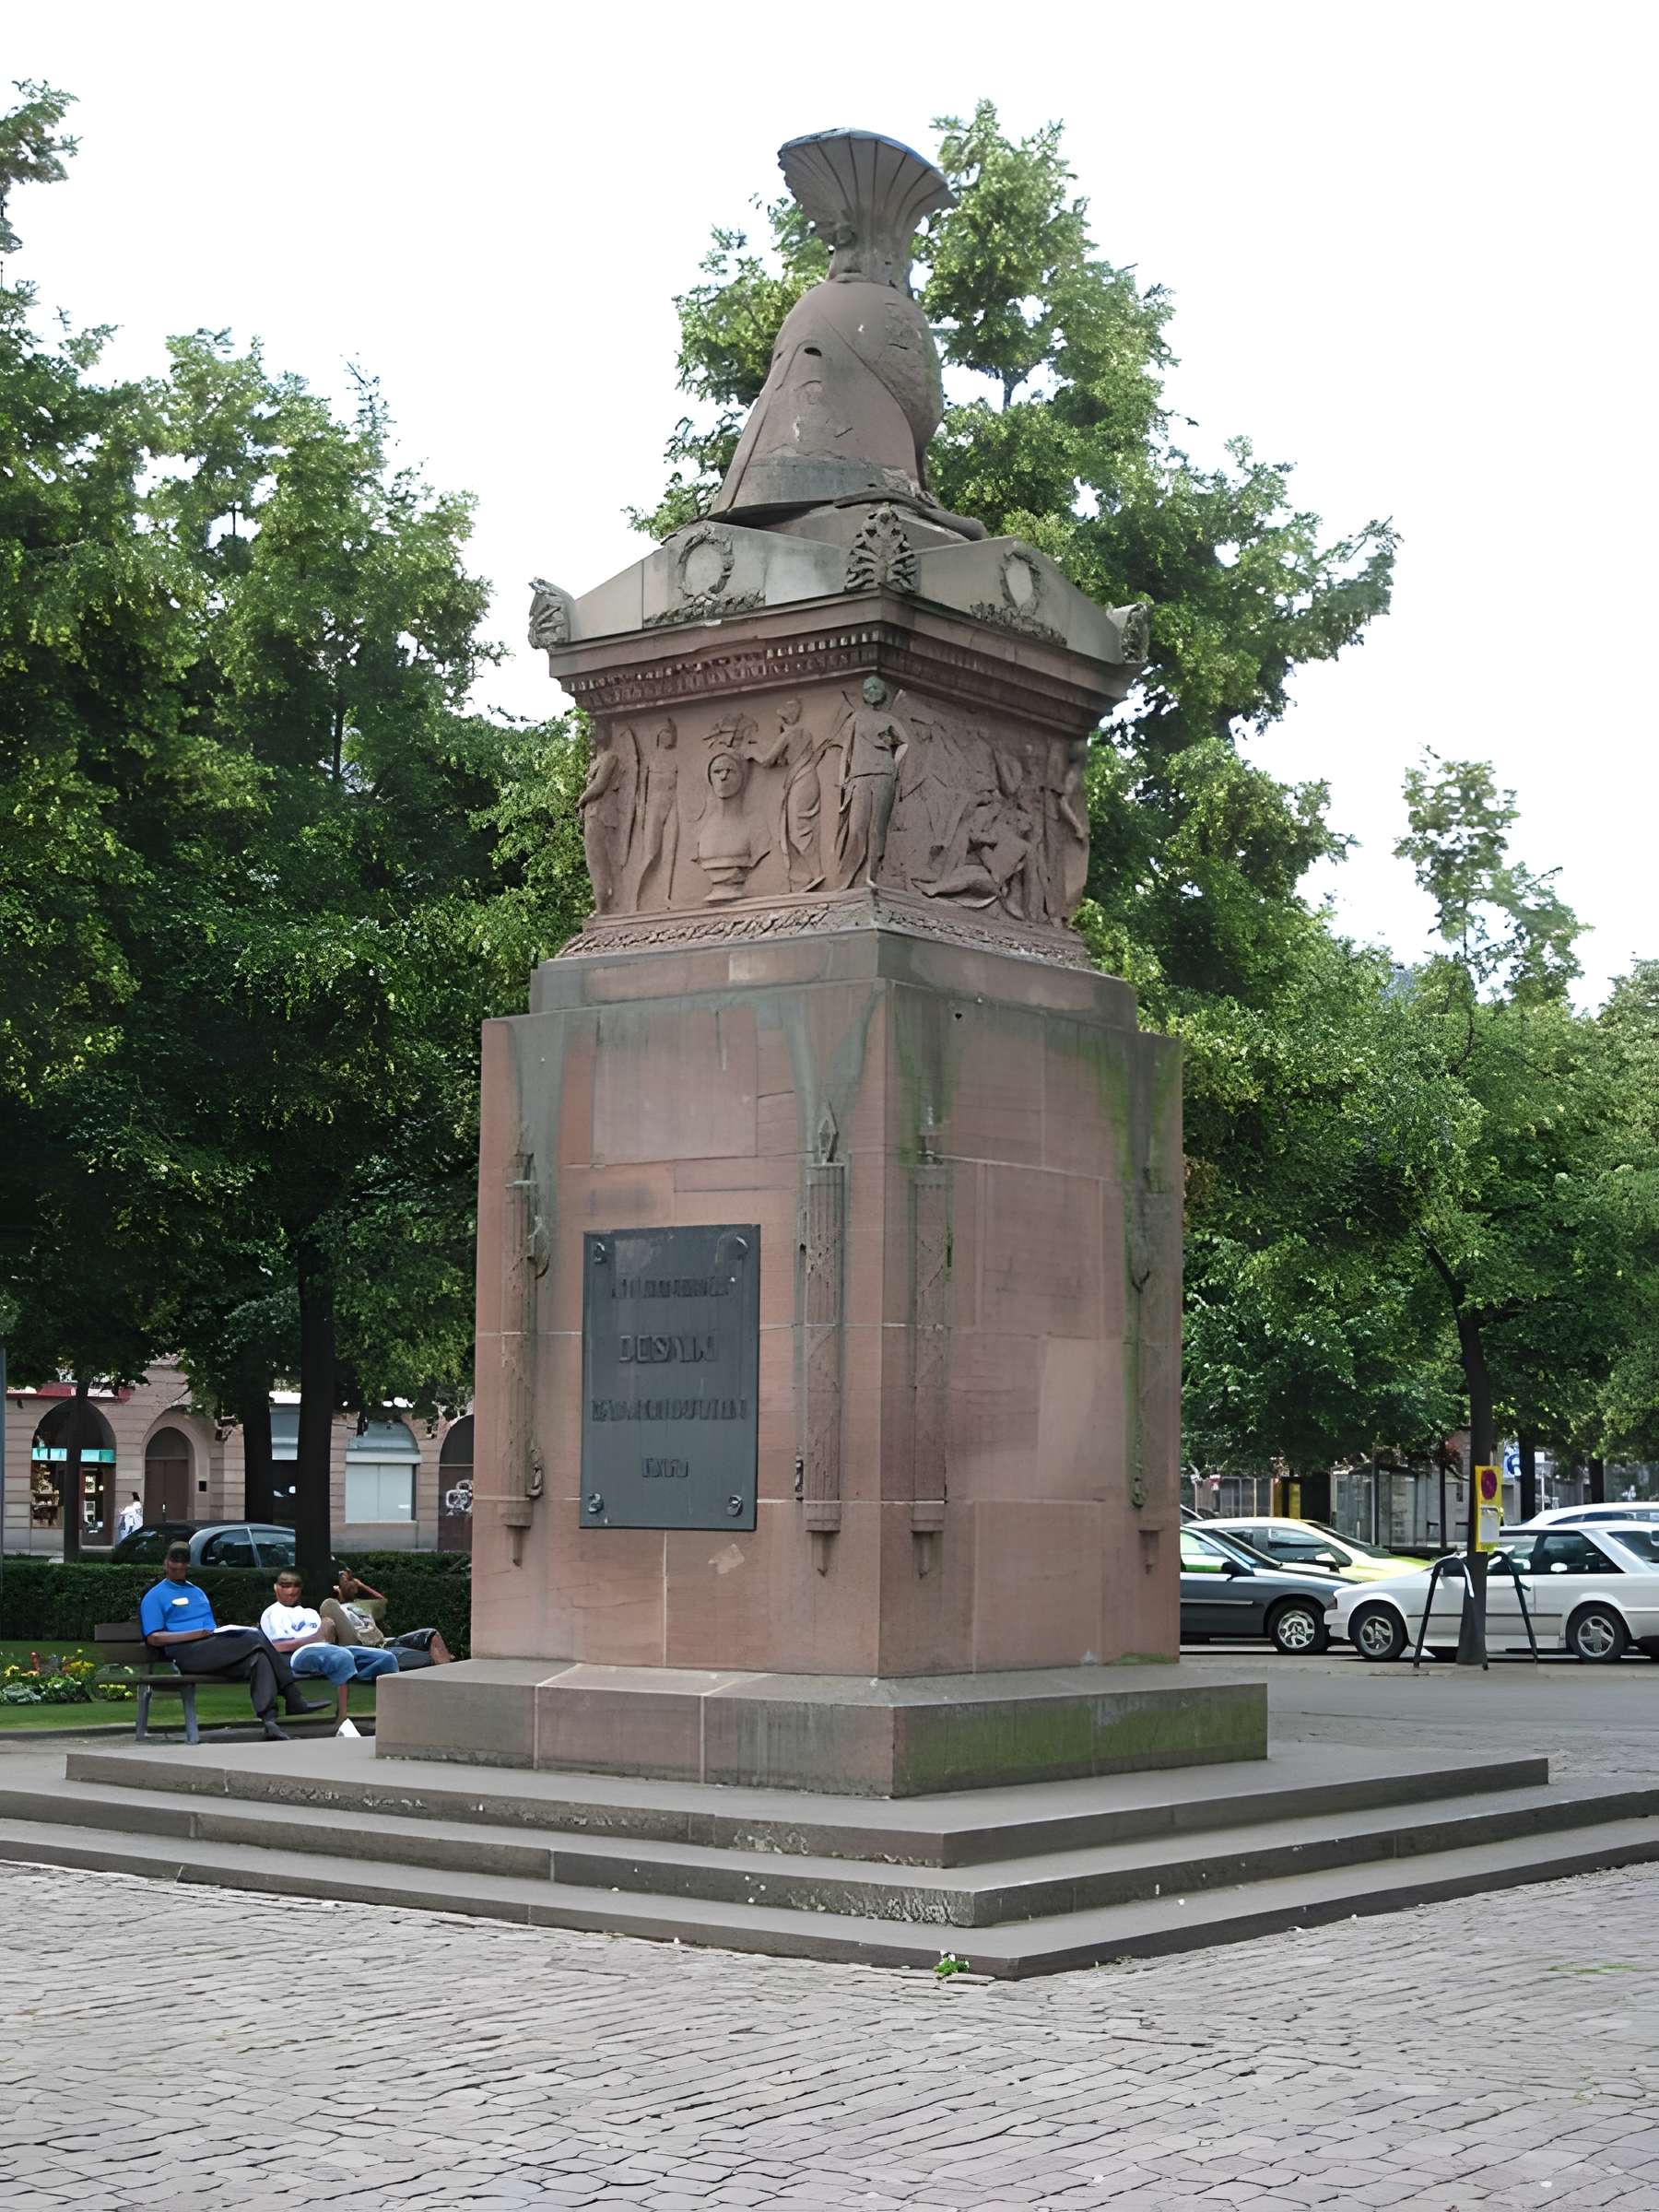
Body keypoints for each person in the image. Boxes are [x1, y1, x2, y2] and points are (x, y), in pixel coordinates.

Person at [139, 1543, 327, 1741]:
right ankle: (293, 1696)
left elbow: (209, 1630)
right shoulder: (154, 1596)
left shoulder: (197, 1593)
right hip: (186, 1653)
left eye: (183, 1562)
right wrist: (193, 1635)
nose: (178, 1566)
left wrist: (211, 1634)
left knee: (259, 1657)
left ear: (188, 1564)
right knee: (255, 1637)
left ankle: (270, 1722)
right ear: (165, 1564)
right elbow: (154, 1637)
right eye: (173, 1562)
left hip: (210, 1648)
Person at [258, 1571, 399, 1725]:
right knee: (341, 1656)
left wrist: (325, 1633)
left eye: (295, 1586)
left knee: (386, 1658)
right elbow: (277, 1647)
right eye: (285, 1586)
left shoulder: (309, 1613)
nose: (291, 1590)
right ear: (276, 1588)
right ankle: (342, 1718)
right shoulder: (273, 1613)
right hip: (297, 1655)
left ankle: (390, 1716)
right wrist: (312, 1639)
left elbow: (324, 1638)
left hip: (326, 1648)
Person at [321, 1564, 453, 1670]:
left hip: (385, 1643)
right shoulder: (334, 1609)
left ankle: (446, 1679)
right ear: (336, 1587)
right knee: (418, 1657)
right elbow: (328, 1626)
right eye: (347, 1580)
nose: (353, 1582)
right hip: (365, 1648)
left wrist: (361, 1585)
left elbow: (382, 1600)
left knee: (431, 1635)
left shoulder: (364, 1604)